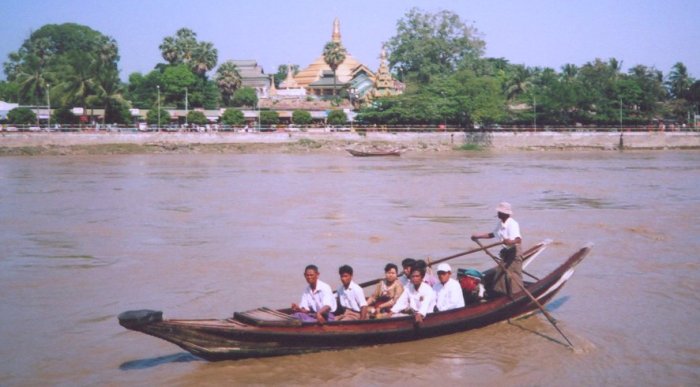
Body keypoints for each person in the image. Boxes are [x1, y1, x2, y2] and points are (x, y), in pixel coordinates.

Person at [471, 201, 523, 297]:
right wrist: (478, 236)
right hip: (506, 252)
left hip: (514, 252)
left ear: (505, 213)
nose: (498, 213)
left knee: (512, 275)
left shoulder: (513, 224)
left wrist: (510, 241)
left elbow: (518, 240)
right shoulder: (500, 223)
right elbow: (492, 234)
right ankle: (503, 294)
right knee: (500, 273)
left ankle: (517, 294)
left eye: (499, 212)